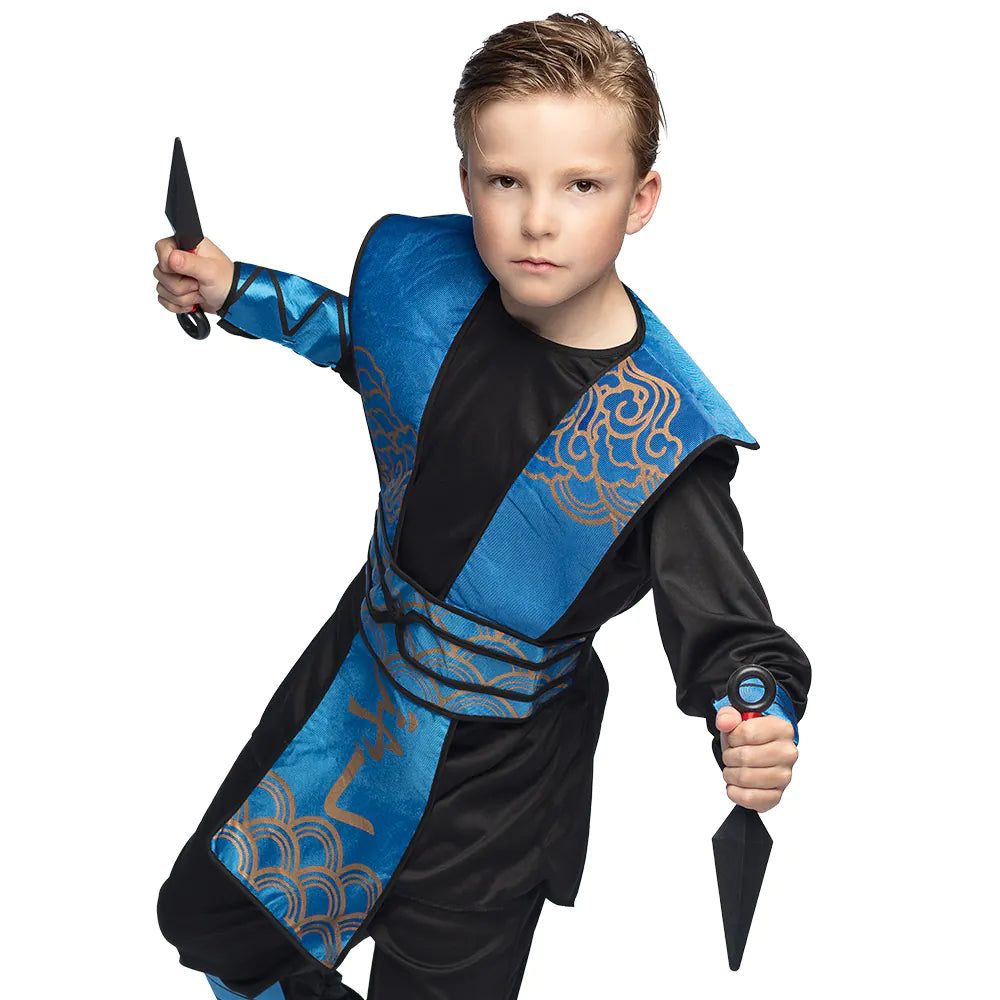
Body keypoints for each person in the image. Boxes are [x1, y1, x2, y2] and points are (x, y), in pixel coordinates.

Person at [152, 13, 810, 1000]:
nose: (538, 220)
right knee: (221, 927)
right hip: (353, 696)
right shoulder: (434, 286)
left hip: (496, 792)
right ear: (468, 182)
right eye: (507, 180)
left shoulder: (664, 437)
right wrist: (234, 288)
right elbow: (369, 348)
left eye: (581, 185)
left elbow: (734, 634)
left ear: (640, 198)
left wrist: (756, 715)